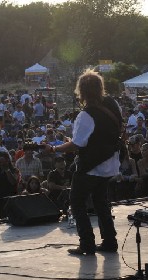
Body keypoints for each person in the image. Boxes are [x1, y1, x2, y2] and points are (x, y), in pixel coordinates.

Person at [47, 69, 121, 255]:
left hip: (90, 166)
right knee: (101, 201)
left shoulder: (86, 115)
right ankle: (110, 241)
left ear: (82, 91)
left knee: (77, 201)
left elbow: (78, 144)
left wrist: (55, 149)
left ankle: (87, 243)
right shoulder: (113, 104)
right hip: (110, 162)